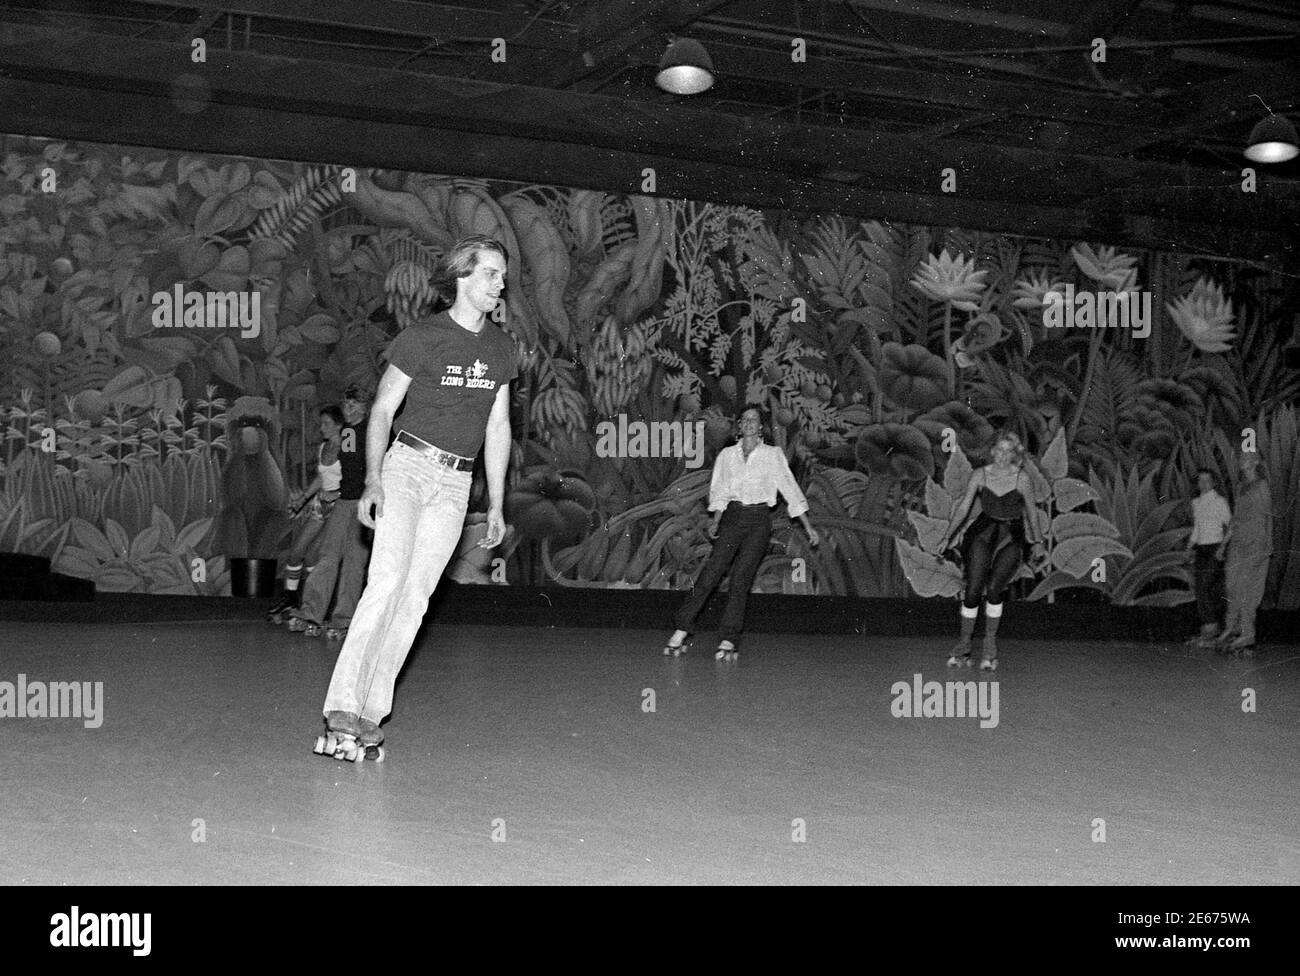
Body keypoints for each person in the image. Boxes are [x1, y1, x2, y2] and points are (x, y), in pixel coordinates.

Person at [314, 235, 515, 763]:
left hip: (455, 483)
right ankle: (341, 705)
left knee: (417, 598)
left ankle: (370, 714)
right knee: (385, 581)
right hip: (407, 467)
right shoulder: (423, 337)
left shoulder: (501, 348)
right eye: (491, 273)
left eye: (502, 275)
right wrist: (374, 480)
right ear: (463, 278)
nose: (500, 283)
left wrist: (495, 504)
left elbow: (499, 425)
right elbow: (381, 410)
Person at [662, 406, 819, 662]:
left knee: (740, 580)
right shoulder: (727, 455)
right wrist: (717, 519)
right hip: (733, 517)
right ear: (739, 425)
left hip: (758, 520)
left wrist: (808, 525)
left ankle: (729, 638)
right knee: (710, 573)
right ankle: (682, 628)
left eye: (753, 420)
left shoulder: (772, 454)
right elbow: (720, 490)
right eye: (744, 419)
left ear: (760, 428)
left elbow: (789, 488)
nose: (748, 423)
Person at [938, 431, 1045, 671]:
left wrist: (1037, 542)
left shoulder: (1022, 478)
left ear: (1015, 454)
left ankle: (989, 647)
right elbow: (964, 507)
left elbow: (1031, 512)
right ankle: (964, 646)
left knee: (995, 588)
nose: (1003, 455)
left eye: (1009, 451)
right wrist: (948, 536)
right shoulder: (980, 475)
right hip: (982, 533)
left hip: (1011, 536)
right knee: (974, 589)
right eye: (1000, 450)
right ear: (992, 451)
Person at [288, 385, 374, 639]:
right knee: (328, 556)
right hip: (344, 500)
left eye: (352, 406)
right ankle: (311, 612)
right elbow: (345, 471)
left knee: (354, 563)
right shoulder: (347, 433)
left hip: (364, 503)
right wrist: (332, 493)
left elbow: (373, 471)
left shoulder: (373, 432)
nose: (346, 410)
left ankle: (343, 619)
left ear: (365, 408)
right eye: (345, 405)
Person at [266, 405, 344, 623]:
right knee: (297, 551)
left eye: (327, 423)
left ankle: (318, 602)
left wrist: (337, 493)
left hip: (340, 507)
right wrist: (303, 499)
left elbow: (353, 476)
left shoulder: (347, 447)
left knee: (315, 556)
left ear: (339, 425)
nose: (322, 428)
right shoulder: (323, 448)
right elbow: (322, 478)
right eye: (321, 424)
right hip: (321, 504)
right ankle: (292, 598)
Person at [1218, 452, 1272, 655]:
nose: (1242, 461)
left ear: (1256, 462)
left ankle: (1247, 632)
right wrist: (1223, 545)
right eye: (1240, 458)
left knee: (1248, 587)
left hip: (1256, 541)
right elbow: (1235, 517)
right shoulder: (1240, 487)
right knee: (1232, 585)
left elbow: (1267, 516)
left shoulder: (1261, 485)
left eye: (1247, 458)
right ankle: (1230, 627)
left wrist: (1267, 545)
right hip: (1238, 541)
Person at [1185, 467, 1231, 648]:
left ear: (1213, 483)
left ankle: (1211, 629)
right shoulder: (1196, 502)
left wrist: (1223, 548)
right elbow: (1198, 528)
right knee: (1200, 588)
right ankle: (1208, 629)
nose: (1204, 484)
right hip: (1202, 549)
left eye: (1207, 480)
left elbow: (1231, 524)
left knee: (1204, 587)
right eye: (1201, 480)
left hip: (1215, 548)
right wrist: (1190, 546)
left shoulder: (1220, 502)